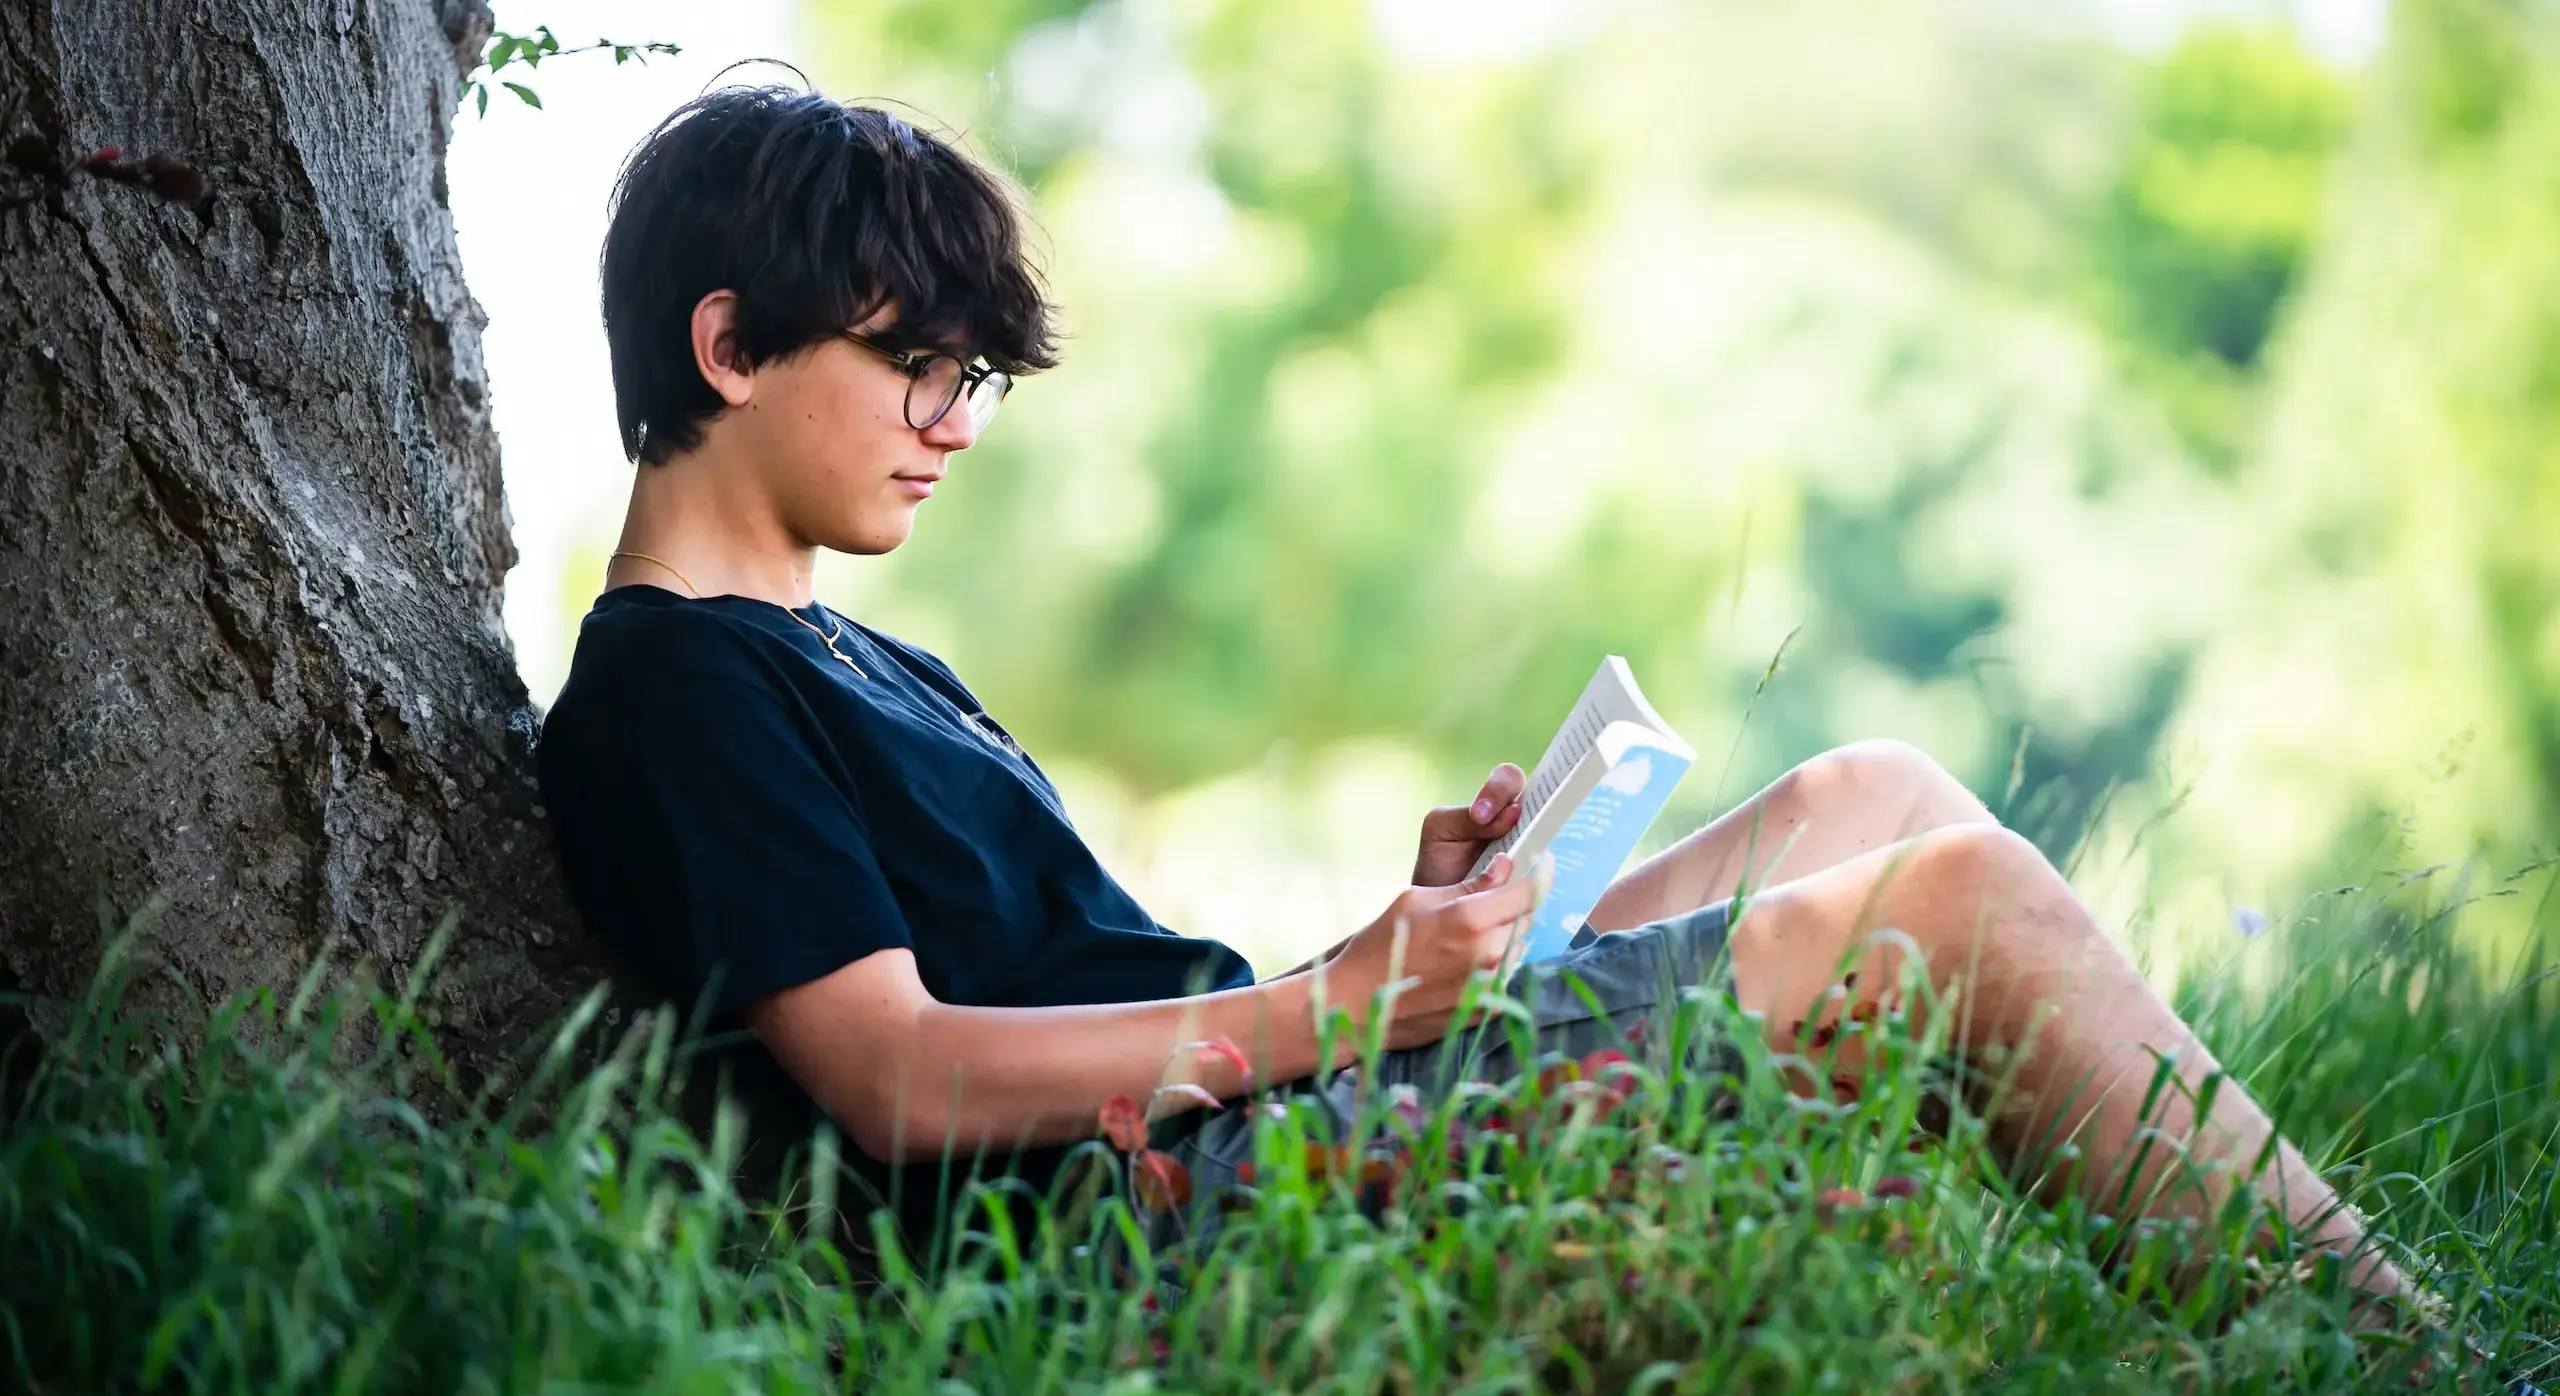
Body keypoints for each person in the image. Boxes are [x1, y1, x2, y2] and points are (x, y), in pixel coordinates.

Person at [534, 84, 2407, 1303]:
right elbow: (902, 1077)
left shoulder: (861, 658)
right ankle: (2400, 1359)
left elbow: (1092, 979)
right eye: (914, 366)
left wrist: (1394, 941)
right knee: (1958, 907)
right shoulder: (674, 686)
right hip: (1164, 1230)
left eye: (976, 380)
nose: (954, 424)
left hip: (1253, 1112)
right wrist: (1343, 1007)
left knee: (1872, 793)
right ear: (729, 344)